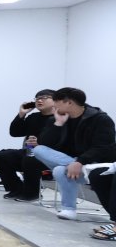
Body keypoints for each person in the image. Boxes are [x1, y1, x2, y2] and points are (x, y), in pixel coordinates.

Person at [31, 88, 116, 220]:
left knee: (60, 170)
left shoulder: (100, 119)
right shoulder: (59, 118)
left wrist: (80, 161)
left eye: (57, 102)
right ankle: (69, 209)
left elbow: (104, 147)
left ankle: (69, 208)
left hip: (95, 166)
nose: (54, 106)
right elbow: (44, 142)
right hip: (75, 165)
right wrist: (58, 123)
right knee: (40, 151)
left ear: (69, 103)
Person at [0, 89, 56, 201]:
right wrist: (22, 114)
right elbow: (15, 132)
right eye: (37, 98)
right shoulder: (33, 117)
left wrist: (40, 145)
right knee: (0, 156)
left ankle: (32, 193)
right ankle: (17, 189)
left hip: (51, 154)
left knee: (30, 159)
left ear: (56, 100)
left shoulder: (60, 118)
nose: (39, 100)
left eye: (44, 97)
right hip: (30, 152)